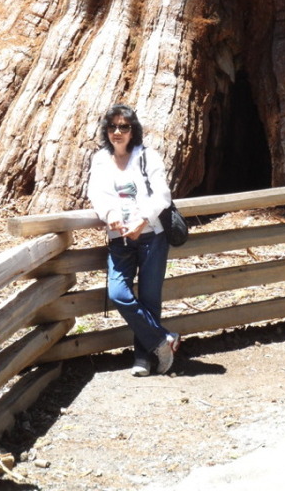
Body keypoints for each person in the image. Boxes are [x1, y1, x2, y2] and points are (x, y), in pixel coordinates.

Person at [87, 104, 180, 376]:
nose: (118, 132)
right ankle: (164, 340)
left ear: (133, 130)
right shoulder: (101, 159)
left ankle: (144, 359)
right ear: (106, 130)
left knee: (150, 300)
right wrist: (110, 213)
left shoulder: (147, 156)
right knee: (119, 294)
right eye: (113, 126)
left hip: (152, 237)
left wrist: (142, 220)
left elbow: (162, 194)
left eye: (124, 127)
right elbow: (96, 193)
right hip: (119, 239)